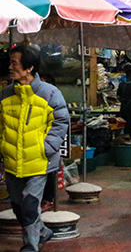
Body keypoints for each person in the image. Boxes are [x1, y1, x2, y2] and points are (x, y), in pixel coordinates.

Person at [0, 45, 68, 252]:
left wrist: (45, 146)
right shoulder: (4, 95)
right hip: (12, 161)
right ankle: (43, 232)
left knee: (30, 205)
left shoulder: (49, 93)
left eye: (14, 63)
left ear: (29, 68)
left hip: (39, 161)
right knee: (19, 207)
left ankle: (30, 246)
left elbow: (61, 121)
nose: (10, 67)